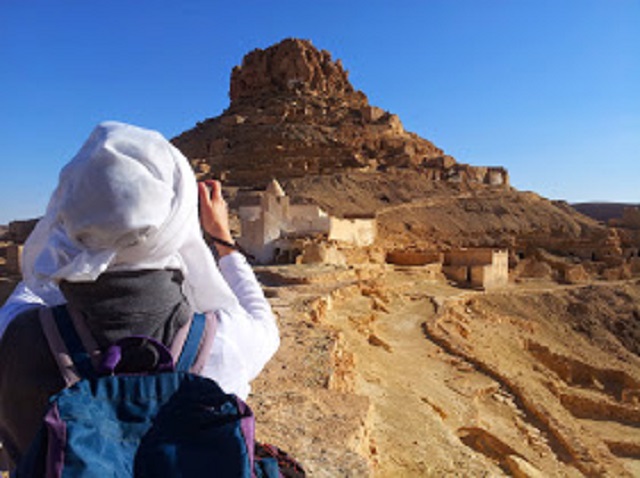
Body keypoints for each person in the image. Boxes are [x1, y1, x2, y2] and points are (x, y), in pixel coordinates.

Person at [0, 121, 280, 468]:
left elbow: (33, 283)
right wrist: (221, 237)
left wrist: (69, 236)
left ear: (67, 211)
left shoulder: (16, 336)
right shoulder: (225, 342)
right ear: (176, 217)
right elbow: (263, 322)